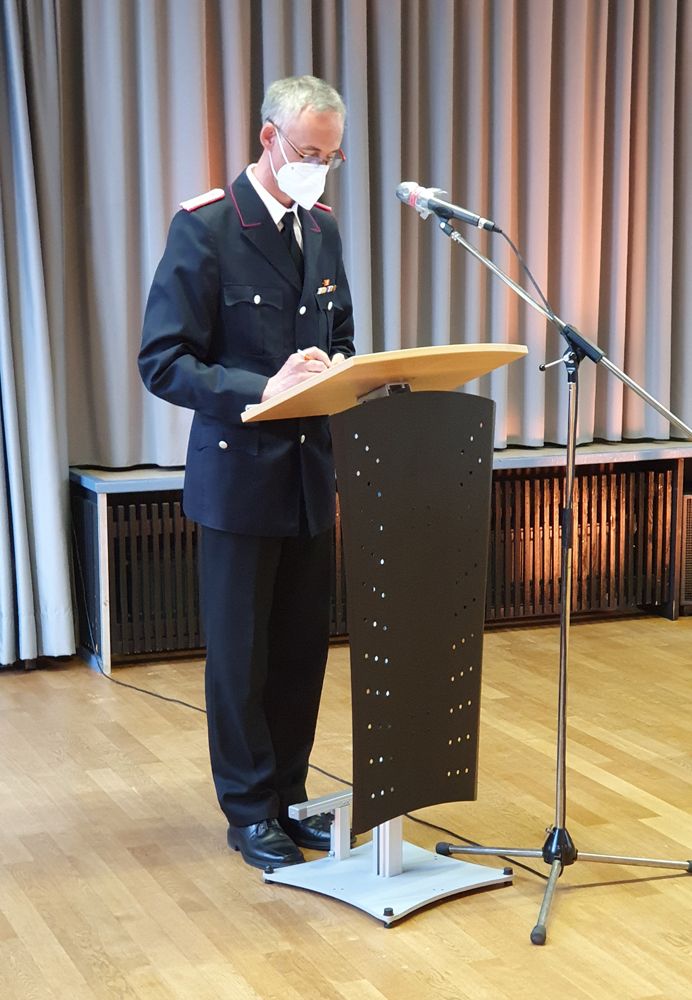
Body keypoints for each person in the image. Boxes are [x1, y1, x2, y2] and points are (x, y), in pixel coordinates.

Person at [139, 75, 355, 869]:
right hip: (238, 479)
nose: (318, 169)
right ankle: (249, 810)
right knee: (242, 659)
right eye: (308, 152)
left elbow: (341, 333)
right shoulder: (206, 227)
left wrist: (340, 368)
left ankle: (291, 797)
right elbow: (163, 361)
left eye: (330, 157)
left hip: (308, 476)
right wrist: (262, 388)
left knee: (301, 652)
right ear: (268, 137)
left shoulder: (322, 228)